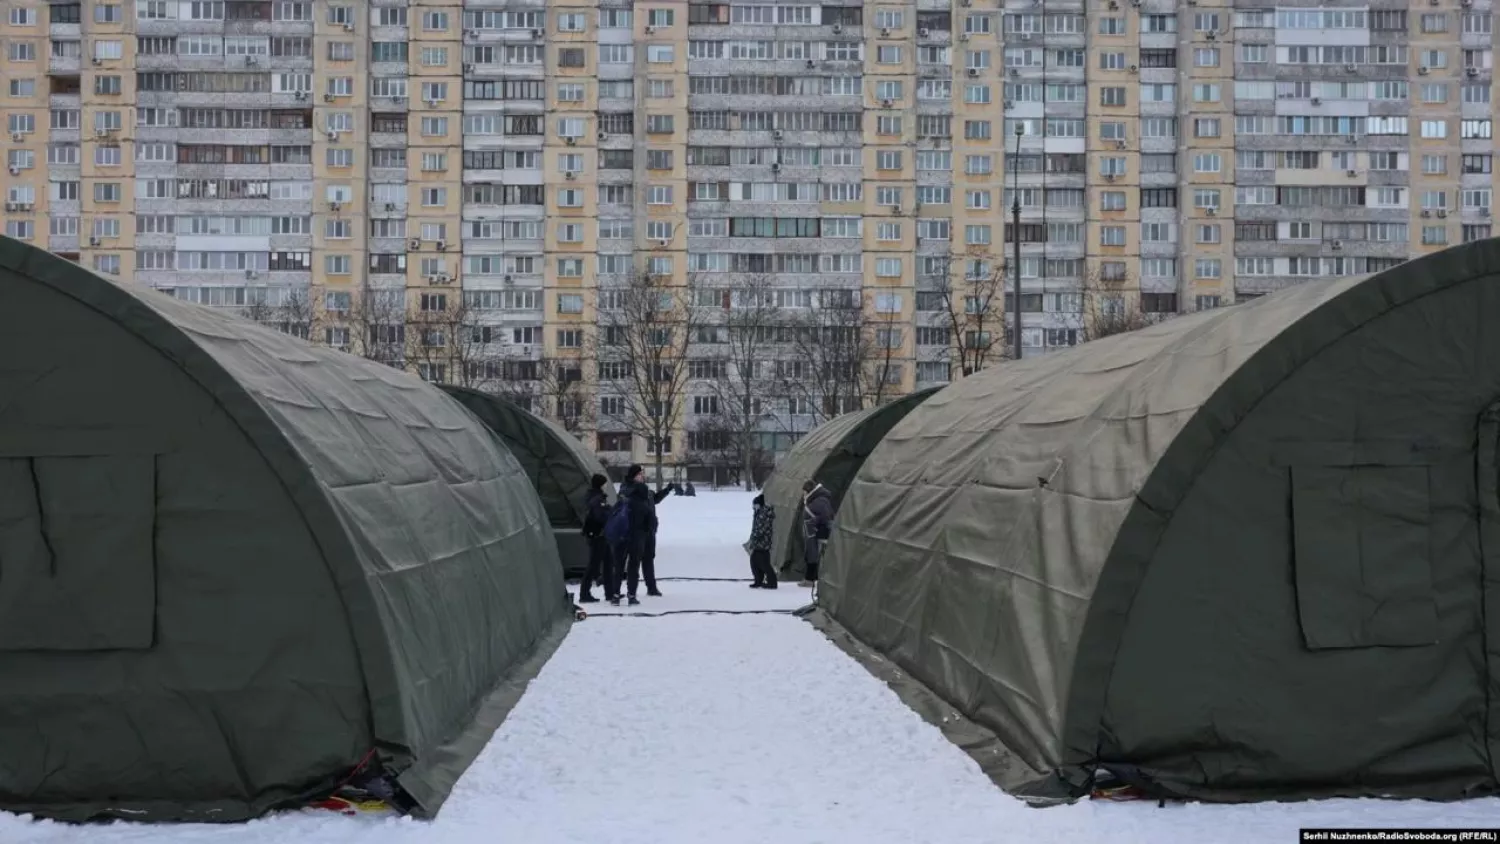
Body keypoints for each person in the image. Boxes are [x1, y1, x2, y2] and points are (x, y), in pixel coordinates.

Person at [615, 464, 678, 605]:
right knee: (633, 561)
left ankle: (651, 587)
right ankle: (625, 592)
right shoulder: (627, 489)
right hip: (635, 531)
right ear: (634, 476)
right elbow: (626, 502)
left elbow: (654, 499)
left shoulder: (645, 490)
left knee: (648, 558)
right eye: (640, 474)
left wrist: (667, 490)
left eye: (642, 473)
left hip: (648, 530)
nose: (643, 476)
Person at [577, 473, 616, 603]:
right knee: (593, 565)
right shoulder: (597, 499)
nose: (606, 486)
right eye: (604, 484)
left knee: (608, 563)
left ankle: (610, 593)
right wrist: (610, 513)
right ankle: (584, 594)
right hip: (597, 535)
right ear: (601, 485)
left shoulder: (595, 497)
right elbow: (600, 516)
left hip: (600, 535)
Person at [800, 479, 834, 588]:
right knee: (811, 555)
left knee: (814, 556)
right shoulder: (816, 500)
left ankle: (810, 579)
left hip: (818, 534)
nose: (803, 494)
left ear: (809, 491)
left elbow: (826, 517)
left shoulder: (820, 501)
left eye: (804, 492)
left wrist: (814, 522)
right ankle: (809, 578)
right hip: (813, 533)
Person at [746, 494, 777, 588]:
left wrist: (754, 537)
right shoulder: (759, 512)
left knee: (763, 563)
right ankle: (758, 580)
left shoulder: (764, 514)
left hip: (763, 543)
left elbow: (761, 529)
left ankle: (771, 582)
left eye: (755, 505)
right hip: (759, 543)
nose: (753, 507)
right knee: (755, 561)